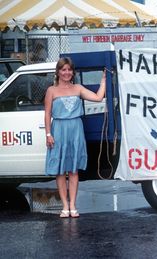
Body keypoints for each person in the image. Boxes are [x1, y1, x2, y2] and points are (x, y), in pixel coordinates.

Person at [44, 57, 106, 218]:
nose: (66, 73)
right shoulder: (51, 90)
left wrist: (104, 80)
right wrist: (48, 134)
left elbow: (98, 98)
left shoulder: (78, 88)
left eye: (69, 70)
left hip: (75, 129)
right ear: (58, 72)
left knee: (73, 170)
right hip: (58, 129)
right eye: (63, 69)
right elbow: (47, 113)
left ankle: (73, 205)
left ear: (73, 72)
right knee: (60, 170)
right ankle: (64, 206)